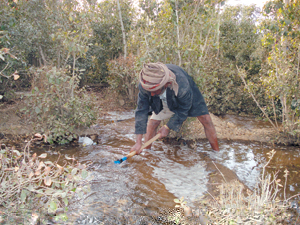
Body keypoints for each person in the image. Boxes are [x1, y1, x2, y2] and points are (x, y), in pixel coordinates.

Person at [130, 62, 219, 155]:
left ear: (166, 84)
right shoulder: (146, 84)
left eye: (154, 91)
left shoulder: (181, 84)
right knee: (152, 123)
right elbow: (141, 111)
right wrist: (138, 142)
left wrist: (168, 126)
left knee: (206, 119)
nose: (151, 94)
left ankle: (216, 154)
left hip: (184, 99)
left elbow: (184, 109)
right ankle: (147, 153)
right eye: (150, 91)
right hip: (163, 98)